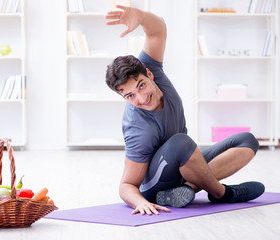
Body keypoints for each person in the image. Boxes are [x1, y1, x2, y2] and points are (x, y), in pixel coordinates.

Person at [105, 5, 265, 215]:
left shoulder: (150, 67)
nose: (141, 98)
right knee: (182, 142)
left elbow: (157, 29)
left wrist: (142, 17)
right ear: (123, 98)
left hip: (185, 164)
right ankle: (222, 193)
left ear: (149, 74)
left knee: (248, 140)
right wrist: (140, 203)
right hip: (156, 185)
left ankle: (188, 188)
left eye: (141, 86)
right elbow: (126, 185)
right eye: (130, 96)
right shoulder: (138, 129)